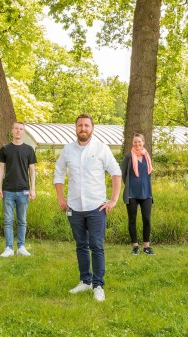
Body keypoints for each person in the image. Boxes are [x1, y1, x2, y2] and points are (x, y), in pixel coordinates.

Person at [54, 114, 121, 302]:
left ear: (92, 128)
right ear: (75, 128)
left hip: (96, 207)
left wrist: (113, 200)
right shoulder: (67, 150)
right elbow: (58, 173)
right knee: (81, 245)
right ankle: (85, 280)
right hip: (74, 207)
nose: (83, 128)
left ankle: (98, 285)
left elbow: (116, 173)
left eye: (86, 125)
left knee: (97, 246)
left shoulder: (101, 149)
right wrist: (61, 197)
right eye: (80, 125)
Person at [0, 121, 37, 257]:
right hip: (7, 190)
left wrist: (33, 189)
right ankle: (9, 248)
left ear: (23, 132)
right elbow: (1, 169)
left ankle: (21, 247)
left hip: (24, 190)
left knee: (22, 220)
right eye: (16, 128)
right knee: (8, 220)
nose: (18, 131)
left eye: (21, 129)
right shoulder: (5, 149)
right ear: (12, 131)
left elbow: (32, 170)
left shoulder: (29, 149)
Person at [121, 133, 155, 255]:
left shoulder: (147, 156)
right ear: (132, 143)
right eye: (135, 142)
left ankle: (146, 247)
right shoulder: (128, 156)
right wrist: (131, 185)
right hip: (132, 193)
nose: (137, 144)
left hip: (146, 193)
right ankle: (135, 247)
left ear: (143, 142)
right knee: (132, 220)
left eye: (139, 141)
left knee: (147, 219)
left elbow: (149, 174)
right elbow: (123, 174)